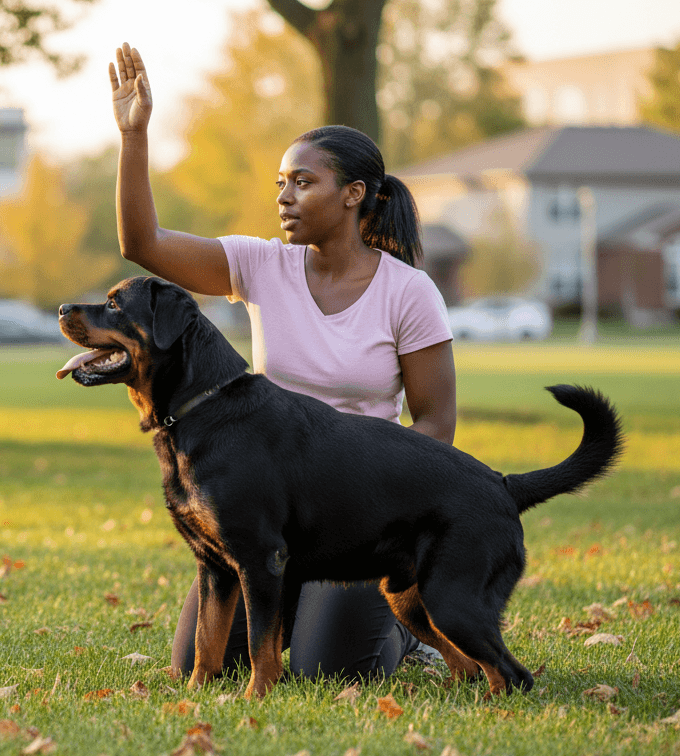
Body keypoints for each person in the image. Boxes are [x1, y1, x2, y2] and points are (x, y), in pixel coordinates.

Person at [108, 43, 457, 682]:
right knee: (200, 663)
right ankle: (299, 610)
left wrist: (380, 521)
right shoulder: (260, 264)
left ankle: (410, 633)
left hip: (357, 513)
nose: (285, 196)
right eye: (280, 183)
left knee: (331, 669)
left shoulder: (408, 292)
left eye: (303, 181)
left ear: (354, 195)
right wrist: (135, 137)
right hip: (265, 508)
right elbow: (143, 244)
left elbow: (435, 428)